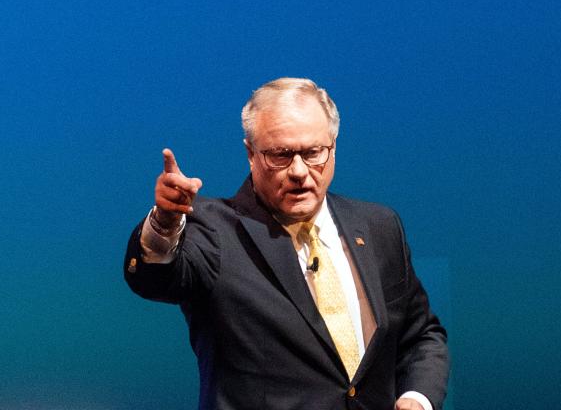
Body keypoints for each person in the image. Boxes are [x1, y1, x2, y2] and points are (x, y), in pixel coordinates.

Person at [124, 78, 449, 410]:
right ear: (251, 154)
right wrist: (165, 222)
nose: (298, 171)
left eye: (312, 153)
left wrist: (417, 398)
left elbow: (421, 335)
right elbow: (154, 278)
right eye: (280, 155)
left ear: (333, 146)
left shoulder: (379, 226)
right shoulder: (213, 230)